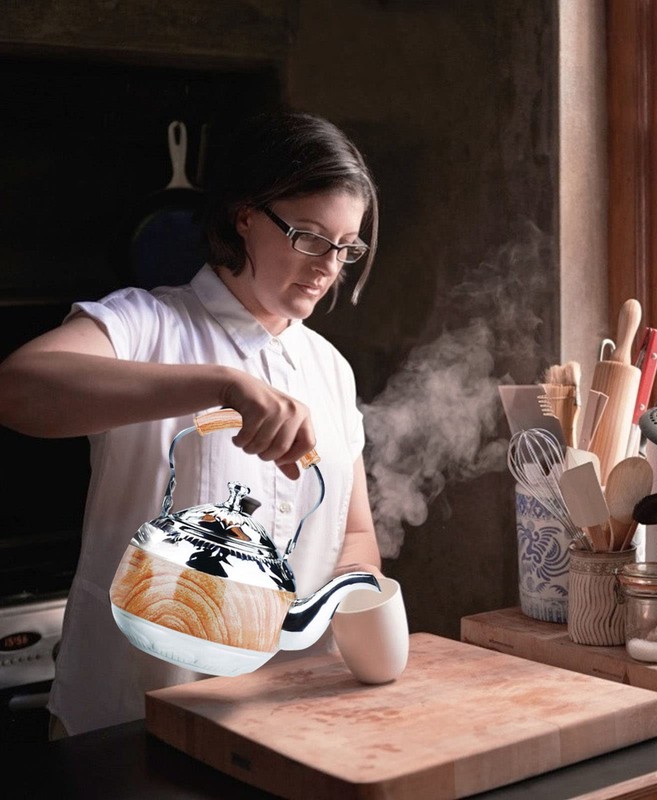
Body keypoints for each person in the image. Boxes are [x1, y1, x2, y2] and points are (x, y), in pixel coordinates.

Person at [0, 110, 383, 737]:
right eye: (310, 237)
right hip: (133, 717)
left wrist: (355, 606)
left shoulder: (330, 369)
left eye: (346, 248)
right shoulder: (147, 325)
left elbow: (356, 534)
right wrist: (219, 385)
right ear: (245, 216)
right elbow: (17, 389)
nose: (327, 266)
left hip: (289, 723)